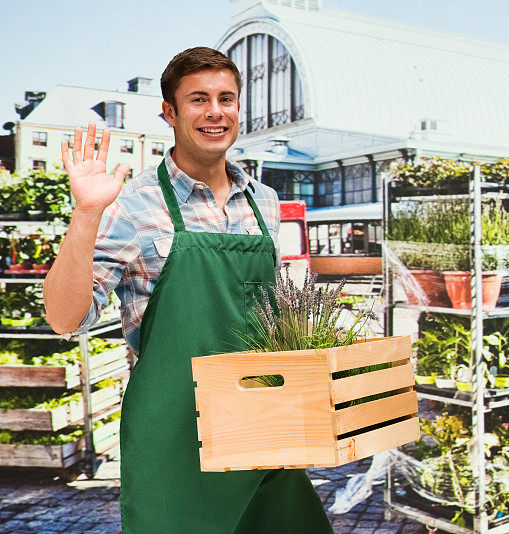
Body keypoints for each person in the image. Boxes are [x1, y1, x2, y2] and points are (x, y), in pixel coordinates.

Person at [43, 47, 334, 534]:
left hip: (261, 428)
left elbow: (275, 315)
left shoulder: (263, 201)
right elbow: (65, 318)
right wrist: (86, 215)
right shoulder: (133, 205)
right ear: (170, 113)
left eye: (227, 98)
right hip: (175, 439)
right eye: (198, 99)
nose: (215, 112)